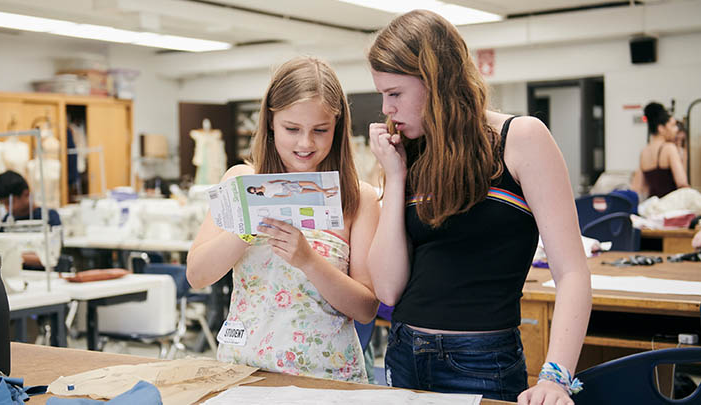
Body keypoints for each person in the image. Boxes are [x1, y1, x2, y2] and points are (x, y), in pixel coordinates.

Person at [365, 10, 591, 404]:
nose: (387, 110)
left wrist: (556, 377)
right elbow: (387, 287)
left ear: (435, 82)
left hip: (482, 361)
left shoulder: (520, 138)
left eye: (395, 93)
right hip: (403, 354)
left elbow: (571, 271)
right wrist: (396, 177)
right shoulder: (412, 153)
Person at [186, 56, 380, 382]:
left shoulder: (360, 198)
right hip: (243, 372)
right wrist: (247, 226)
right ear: (270, 123)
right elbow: (197, 275)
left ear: (338, 127)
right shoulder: (240, 180)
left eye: (320, 130)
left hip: (326, 379)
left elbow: (365, 308)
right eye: (292, 129)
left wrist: (309, 261)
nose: (306, 143)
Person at [0, 170, 61, 269]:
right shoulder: (7, 219)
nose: (7, 208)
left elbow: (53, 256)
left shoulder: (49, 217)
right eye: (3, 204)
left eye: (9, 203)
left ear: (26, 194)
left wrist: (13, 256)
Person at [631, 102, 688, 198]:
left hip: (653, 206)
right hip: (670, 208)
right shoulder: (669, 148)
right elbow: (682, 183)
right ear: (661, 128)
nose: (676, 130)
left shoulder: (644, 152)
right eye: (672, 125)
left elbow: (637, 187)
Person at [246, 179, 339, 198]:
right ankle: (330, 190)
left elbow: (275, 180)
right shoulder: (267, 195)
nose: (255, 190)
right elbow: (278, 196)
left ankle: (328, 191)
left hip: (286, 185)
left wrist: (285, 180)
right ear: (255, 193)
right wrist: (287, 195)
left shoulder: (264, 183)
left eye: (254, 188)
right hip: (287, 190)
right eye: (254, 191)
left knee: (311, 183)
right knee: (314, 190)